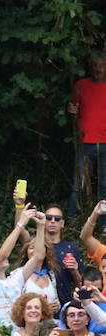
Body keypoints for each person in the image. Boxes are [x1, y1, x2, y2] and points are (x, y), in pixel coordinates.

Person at [68, 56, 106, 219]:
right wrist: (71, 111)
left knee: (104, 186)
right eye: (95, 65)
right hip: (85, 143)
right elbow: (73, 109)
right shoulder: (81, 85)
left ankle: (104, 224)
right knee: (79, 185)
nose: (98, 69)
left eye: (102, 65)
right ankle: (70, 221)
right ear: (90, 67)